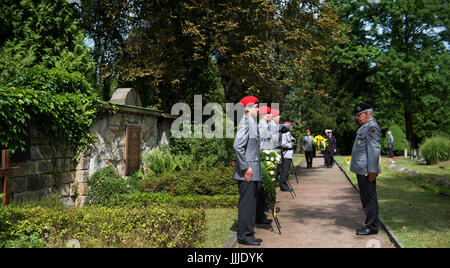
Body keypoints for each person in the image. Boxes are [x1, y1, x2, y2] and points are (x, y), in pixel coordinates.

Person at [233, 96, 263, 245]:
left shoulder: (251, 122)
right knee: (246, 205)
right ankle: (244, 236)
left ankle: (248, 233)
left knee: (251, 204)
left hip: (253, 170)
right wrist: (246, 167)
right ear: (247, 109)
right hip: (248, 172)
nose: (258, 109)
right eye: (255, 106)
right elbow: (237, 146)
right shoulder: (245, 122)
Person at [350, 103, 381, 235]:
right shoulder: (365, 127)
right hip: (363, 169)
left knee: (369, 198)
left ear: (367, 114)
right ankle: (370, 224)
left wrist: (372, 170)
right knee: (366, 197)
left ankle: (372, 227)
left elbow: (374, 149)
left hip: (367, 170)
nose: (357, 118)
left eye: (359, 115)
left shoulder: (371, 127)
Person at [255, 106, 273, 225]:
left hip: (265, 156)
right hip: (262, 157)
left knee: (263, 189)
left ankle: (261, 214)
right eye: (269, 114)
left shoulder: (265, 125)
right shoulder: (262, 126)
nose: (271, 116)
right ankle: (259, 215)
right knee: (260, 189)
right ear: (264, 115)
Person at [279, 122, 296, 192]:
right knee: (285, 171)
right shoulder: (284, 134)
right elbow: (283, 143)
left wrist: (292, 142)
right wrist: (290, 145)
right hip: (286, 154)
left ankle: (284, 185)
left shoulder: (288, 133)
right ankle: (283, 186)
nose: (292, 127)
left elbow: (294, 140)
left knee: (286, 171)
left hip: (289, 154)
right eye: (291, 126)